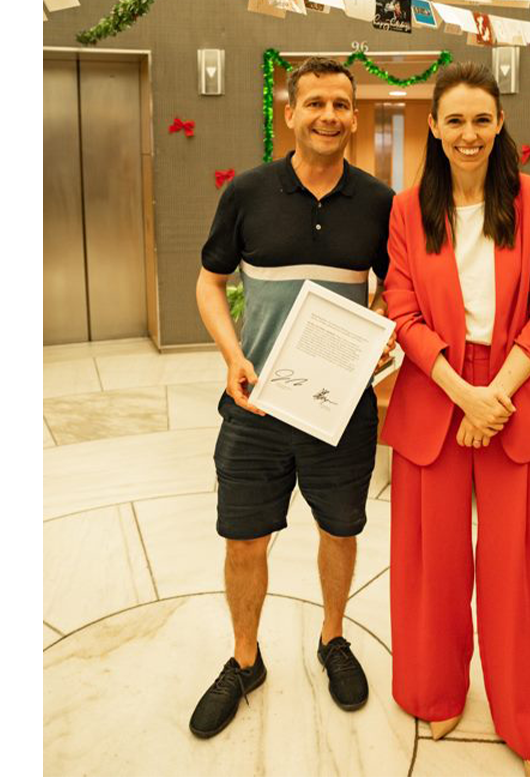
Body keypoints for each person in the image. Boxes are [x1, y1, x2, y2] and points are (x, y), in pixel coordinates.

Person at [190, 57, 396, 738]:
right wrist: (232, 356)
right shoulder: (248, 192)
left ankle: (332, 639)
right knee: (245, 541)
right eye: (316, 103)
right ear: (291, 113)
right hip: (255, 406)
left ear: (354, 116)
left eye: (341, 104)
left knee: (340, 529)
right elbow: (209, 282)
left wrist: (383, 335)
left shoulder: (376, 201)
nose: (329, 115)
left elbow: (399, 290)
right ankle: (245, 660)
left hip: (341, 407)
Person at [383, 63, 530, 776]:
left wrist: (497, 394)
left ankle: (527, 724)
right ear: (433, 126)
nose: (468, 134)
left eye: (481, 120)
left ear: (499, 125)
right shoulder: (408, 209)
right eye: (454, 120)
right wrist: (465, 392)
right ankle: (437, 693)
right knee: (430, 564)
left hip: (515, 392)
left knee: (516, 573)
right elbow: (401, 308)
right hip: (438, 393)